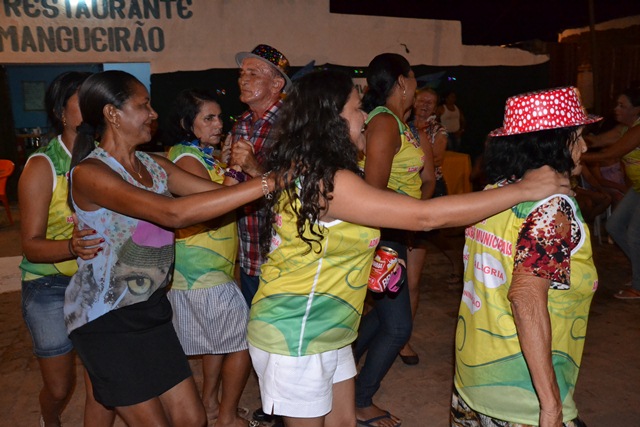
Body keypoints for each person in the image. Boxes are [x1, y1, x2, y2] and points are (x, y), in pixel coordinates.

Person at [247, 69, 571, 427]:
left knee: (343, 422)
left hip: (327, 328)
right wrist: (523, 190)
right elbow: (424, 217)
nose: (365, 118)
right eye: (357, 109)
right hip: (296, 330)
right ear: (331, 120)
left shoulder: (323, 170)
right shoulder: (330, 181)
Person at [64, 70, 274, 426]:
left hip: (152, 309)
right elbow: (172, 213)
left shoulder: (154, 165)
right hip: (107, 317)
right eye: (143, 105)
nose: (153, 113)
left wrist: (252, 172)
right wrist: (272, 181)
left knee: (192, 419)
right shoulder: (91, 173)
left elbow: (219, 198)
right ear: (113, 114)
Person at [451, 86, 600, 427]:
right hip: (522, 396)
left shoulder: (495, 192)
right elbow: (525, 298)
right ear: (554, 144)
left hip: (472, 378)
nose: (584, 147)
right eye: (578, 137)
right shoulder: (553, 211)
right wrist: (550, 406)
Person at [18, 71, 115, 427]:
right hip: (49, 286)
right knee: (59, 388)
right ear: (61, 112)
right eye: (83, 99)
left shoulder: (107, 158)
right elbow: (31, 247)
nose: (94, 106)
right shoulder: (43, 165)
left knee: (103, 381)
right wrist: (72, 246)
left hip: (98, 282)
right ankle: (50, 418)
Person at [165, 89, 255, 427]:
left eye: (219, 117)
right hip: (199, 270)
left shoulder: (202, 156)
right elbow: (216, 205)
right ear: (187, 123)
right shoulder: (186, 158)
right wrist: (237, 167)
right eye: (209, 118)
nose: (219, 124)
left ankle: (211, 405)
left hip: (210, 268)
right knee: (243, 343)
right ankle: (226, 418)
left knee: (216, 342)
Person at [352, 53, 425, 425]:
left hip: (395, 231)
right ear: (401, 81)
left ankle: (340, 373)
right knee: (397, 327)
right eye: (413, 77)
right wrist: (411, 217)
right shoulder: (383, 122)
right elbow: (373, 191)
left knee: (382, 318)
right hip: (383, 236)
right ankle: (360, 399)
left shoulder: (399, 122)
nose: (417, 84)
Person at [228, 44, 291, 307]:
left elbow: (299, 191)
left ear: (276, 84)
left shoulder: (292, 125)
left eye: (253, 74)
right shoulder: (241, 124)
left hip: (283, 254)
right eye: (242, 74)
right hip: (249, 250)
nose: (243, 80)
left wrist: (254, 168)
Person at [581, 87, 640, 299]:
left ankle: (639, 286)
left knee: (634, 234)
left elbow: (609, 154)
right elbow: (597, 142)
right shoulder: (623, 129)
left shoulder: (637, 130)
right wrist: (575, 137)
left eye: (622, 106)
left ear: (637, 110)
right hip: (637, 188)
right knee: (614, 225)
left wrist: (573, 156)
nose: (616, 109)